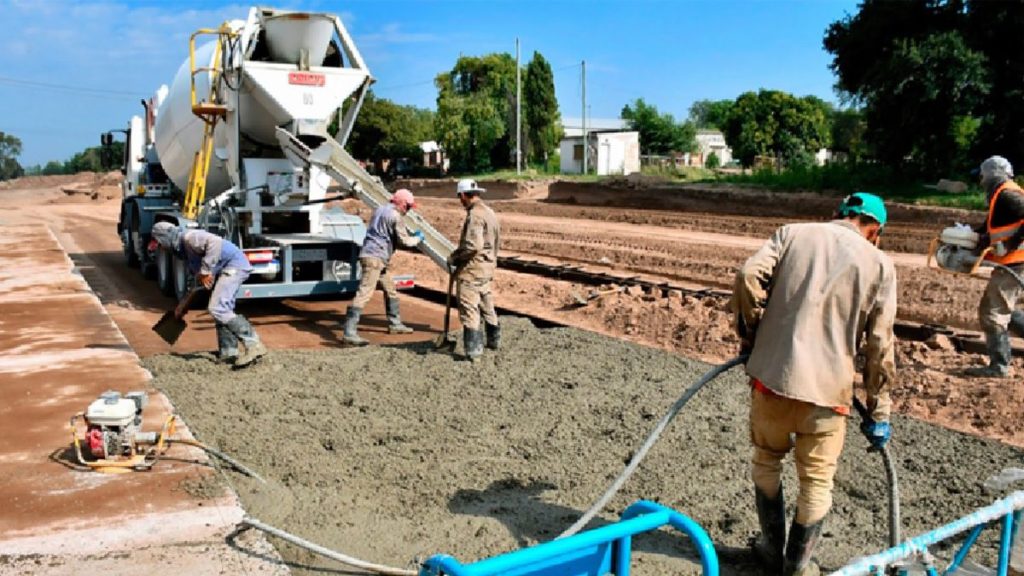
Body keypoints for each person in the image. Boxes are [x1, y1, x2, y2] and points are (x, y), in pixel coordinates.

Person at [731, 192, 897, 576]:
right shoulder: (880, 264)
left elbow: (747, 276)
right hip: (828, 395)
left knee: (766, 461)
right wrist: (879, 410)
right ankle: (798, 567)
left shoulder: (791, 234)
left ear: (838, 214)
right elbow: (880, 345)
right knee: (817, 482)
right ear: (876, 230)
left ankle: (772, 550)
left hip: (771, 380)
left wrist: (751, 335)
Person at [149, 222, 267, 368]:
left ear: (165, 238)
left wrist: (206, 271)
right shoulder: (185, 253)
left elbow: (215, 242)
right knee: (222, 311)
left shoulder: (189, 237)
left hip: (234, 266)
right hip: (226, 269)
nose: (162, 248)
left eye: (160, 243)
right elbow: (196, 284)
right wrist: (182, 306)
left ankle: (254, 344)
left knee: (218, 308)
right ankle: (229, 352)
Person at [966, 155, 1024, 378]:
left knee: (992, 311)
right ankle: (999, 363)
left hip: (1017, 261)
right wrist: (976, 236)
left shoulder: (1008, 195)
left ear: (991, 174)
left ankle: (999, 366)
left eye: (982, 176)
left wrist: (1011, 243)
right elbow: (995, 225)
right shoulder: (1001, 195)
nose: (980, 181)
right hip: (1015, 262)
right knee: (1003, 308)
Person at [343, 188, 424, 346]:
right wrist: (417, 239)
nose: (407, 211)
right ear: (401, 203)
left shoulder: (381, 209)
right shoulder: (395, 216)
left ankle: (395, 324)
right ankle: (349, 332)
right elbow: (404, 241)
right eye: (407, 207)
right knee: (364, 293)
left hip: (374, 256)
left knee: (390, 288)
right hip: (375, 258)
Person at [447, 179, 501, 362]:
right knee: (487, 304)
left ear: (463, 195)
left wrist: (455, 257)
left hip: (472, 270)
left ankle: (474, 352)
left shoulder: (475, 216)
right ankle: (494, 341)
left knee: (469, 309)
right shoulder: (490, 212)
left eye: (459, 197)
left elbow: (473, 245)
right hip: (487, 268)